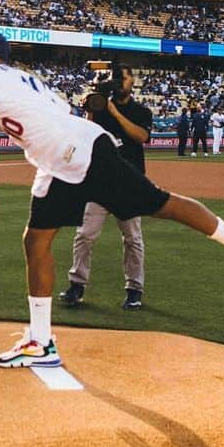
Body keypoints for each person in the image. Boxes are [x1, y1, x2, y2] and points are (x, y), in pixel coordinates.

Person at [0, 32, 224, 370]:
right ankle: (41, 342)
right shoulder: (23, 78)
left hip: (77, 156)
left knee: (160, 204)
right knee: (36, 241)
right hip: (62, 160)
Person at [58, 64, 151, 312]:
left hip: (129, 182)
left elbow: (141, 136)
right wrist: (92, 109)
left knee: (132, 239)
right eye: (116, 77)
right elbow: (85, 136)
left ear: (133, 81)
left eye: (124, 76)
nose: (120, 81)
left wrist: (114, 112)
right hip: (99, 181)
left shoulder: (140, 111)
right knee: (84, 235)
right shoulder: (100, 108)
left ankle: (134, 290)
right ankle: (76, 286)